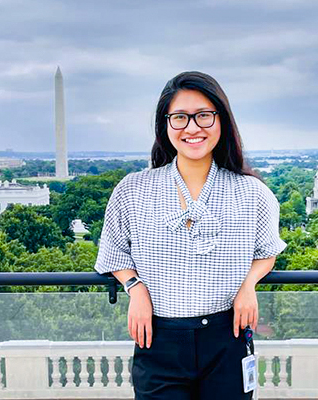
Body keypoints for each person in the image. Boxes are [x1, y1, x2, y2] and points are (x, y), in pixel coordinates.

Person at [94, 71, 287, 399]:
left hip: (228, 337)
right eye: (180, 117)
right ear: (165, 125)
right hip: (158, 339)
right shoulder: (133, 190)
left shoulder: (252, 192)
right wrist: (135, 288)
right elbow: (114, 253)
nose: (192, 128)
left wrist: (248, 285)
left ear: (221, 121)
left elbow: (266, 250)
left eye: (204, 116)